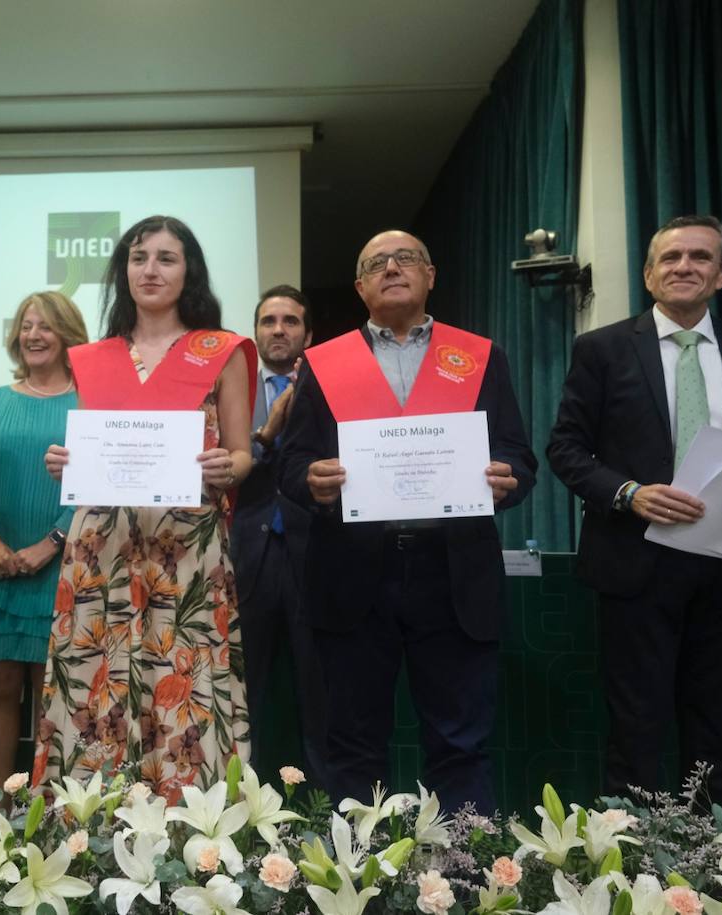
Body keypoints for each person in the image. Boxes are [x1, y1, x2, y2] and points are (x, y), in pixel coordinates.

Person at [278, 230, 536, 814]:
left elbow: (521, 457)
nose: (393, 267)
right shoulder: (324, 364)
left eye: (407, 259)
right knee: (351, 745)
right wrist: (310, 480)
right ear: (360, 286)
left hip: (453, 574)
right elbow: (290, 464)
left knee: (460, 744)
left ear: (431, 274)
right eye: (376, 263)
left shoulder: (479, 356)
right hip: (351, 576)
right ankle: (356, 890)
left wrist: (507, 478)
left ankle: (468, 887)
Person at [547, 215, 722, 805]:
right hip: (636, 563)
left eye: (701, 258)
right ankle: (632, 861)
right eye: (672, 257)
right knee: (636, 725)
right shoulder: (601, 349)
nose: (685, 267)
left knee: (715, 727)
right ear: (649, 272)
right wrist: (630, 493)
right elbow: (565, 449)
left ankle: (707, 860)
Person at [36, 215, 257, 803]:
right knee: (94, 680)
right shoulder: (91, 357)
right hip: (100, 549)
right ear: (123, 271)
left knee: (185, 680)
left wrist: (227, 468)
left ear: (190, 272)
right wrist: (66, 460)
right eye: (138, 258)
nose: (150, 269)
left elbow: (242, 454)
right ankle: (90, 831)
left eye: (166, 257)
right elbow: (91, 449)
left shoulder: (222, 350)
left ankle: (194, 832)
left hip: (186, 551)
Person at [0, 291, 87, 785]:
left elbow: (97, 485)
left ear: (68, 336)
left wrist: (50, 543)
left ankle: (45, 806)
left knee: (50, 692)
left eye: (46, 326)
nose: (33, 335)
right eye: (26, 326)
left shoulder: (89, 400)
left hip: (63, 565)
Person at [231, 284, 328, 786]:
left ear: (308, 334)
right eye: (269, 321)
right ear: (256, 332)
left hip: (318, 552)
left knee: (320, 687)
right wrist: (265, 432)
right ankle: (248, 804)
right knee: (252, 688)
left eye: (290, 321)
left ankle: (320, 809)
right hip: (249, 552)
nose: (278, 330)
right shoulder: (235, 390)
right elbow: (226, 471)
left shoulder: (331, 387)